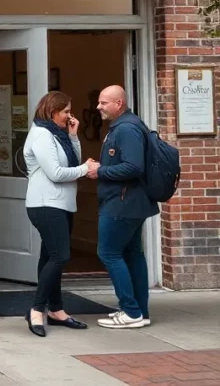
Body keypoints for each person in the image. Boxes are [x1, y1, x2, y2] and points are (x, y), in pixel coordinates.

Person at [22, 91, 100, 337]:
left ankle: (56, 310)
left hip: (61, 203)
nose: (69, 116)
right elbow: (56, 173)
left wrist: (74, 137)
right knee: (59, 256)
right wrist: (85, 168)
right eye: (66, 111)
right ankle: (36, 310)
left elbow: (71, 162)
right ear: (52, 111)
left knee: (50, 256)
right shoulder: (42, 135)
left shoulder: (57, 135)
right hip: (46, 204)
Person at [92, 85, 159, 329]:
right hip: (129, 202)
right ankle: (140, 311)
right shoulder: (125, 126)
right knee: (132, 254)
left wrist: (99, 171)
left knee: (108, 253)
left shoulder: (126, 129)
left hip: (123, 203)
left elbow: (133, 167)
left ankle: (131, 311)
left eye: (104, 103)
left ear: (119, 103)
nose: (98, 107)